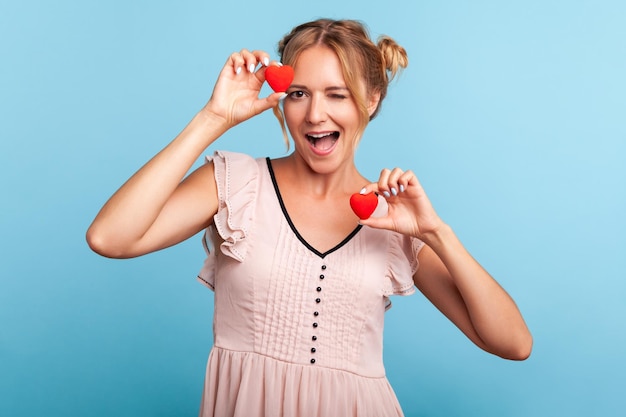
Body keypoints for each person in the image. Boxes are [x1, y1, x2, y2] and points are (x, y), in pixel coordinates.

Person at [87, 18, 532, 417]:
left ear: (372, 99)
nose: (315, 114)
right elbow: (110, 238)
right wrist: (213, 118)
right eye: (298, 94)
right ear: (281, 98)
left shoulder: (395, 220)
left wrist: (437, 233)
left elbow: (513, 343)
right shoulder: (234, 183)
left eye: (337, 94)